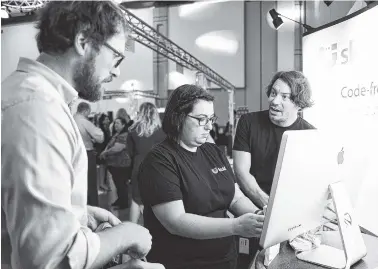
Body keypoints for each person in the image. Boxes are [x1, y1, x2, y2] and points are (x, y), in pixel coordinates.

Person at [1, 2, 163, 269]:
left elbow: (15, 207)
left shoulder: (33, 98)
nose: (117, 71)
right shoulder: (37, 108)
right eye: (116, 57)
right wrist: (126, 234)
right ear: (83, 41)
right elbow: (50, 257)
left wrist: (78, 214)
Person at [138, 84, 265, 269]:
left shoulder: (212, 151)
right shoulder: (159, 161)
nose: (209, 126)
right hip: (183, 262)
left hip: (225, 258)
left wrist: (258, 216)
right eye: (201, 119)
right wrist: (235, 226)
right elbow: (176, 221)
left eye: (211, 119)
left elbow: (234, 197)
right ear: (178, 117)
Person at [233, 70, 315, 209]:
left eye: (284, 97)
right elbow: (241, 172)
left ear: (299, 104)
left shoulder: (310, 134)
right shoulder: (248, 122)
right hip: (251, 208)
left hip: (291, 208)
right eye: (273, 93)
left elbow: (309, 182)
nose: (275, 101)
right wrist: (269, 206)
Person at [127, 102, 166, 223]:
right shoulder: (162, 132)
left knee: (136, 199)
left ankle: (132, 231)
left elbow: (130, 152)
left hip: (138, 166)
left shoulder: (132, 131)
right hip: (155, 167)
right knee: (153, 200)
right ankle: (151, 233)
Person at [74, 102, 104, 206]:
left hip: (74, 153)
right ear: (86, 111)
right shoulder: (83, 121)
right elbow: (100, 137)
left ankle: (81, 205)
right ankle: (93, 206)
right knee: (90, 181)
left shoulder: (71, 119)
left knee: (78, 181)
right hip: (86, 153)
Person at [100, 117, 131, 209]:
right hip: (114, 164)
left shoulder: (124, 135)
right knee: (118, 183)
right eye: (115, 123)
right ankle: (120, 200)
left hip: (121, 163)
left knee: (121, 184)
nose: (115, 125)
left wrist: (105, 153)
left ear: (123, 125)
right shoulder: (117, 134)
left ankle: (124, 203)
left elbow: (118, 148)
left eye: (118, 123)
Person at [96, 113, 112, 191]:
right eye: (106, 119)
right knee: (102, 167)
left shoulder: (107, 129)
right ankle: (101, 184)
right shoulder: (101, 130)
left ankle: (103, 183)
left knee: (104, 167)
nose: (108, 120)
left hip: (104, 151)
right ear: (102, 121)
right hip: (102, 151)